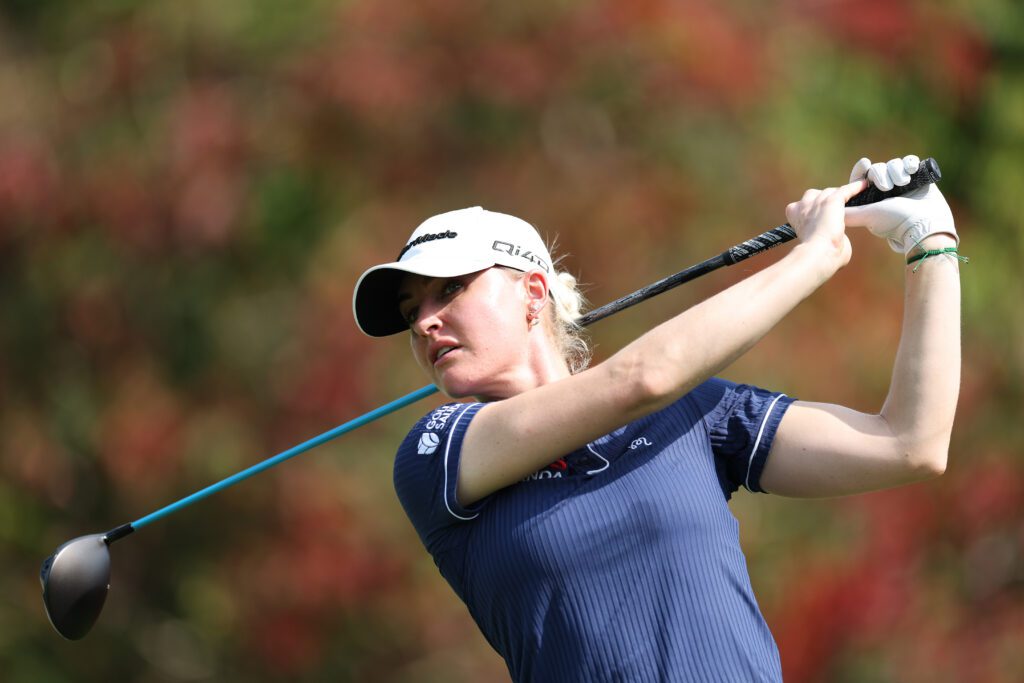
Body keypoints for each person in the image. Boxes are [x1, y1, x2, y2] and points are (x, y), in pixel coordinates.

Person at [351, 155, 961, 682]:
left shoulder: (692, 413)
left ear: (533, 294)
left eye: (450, 290)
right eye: (412, 313)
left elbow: (910, 443)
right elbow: (641, 378)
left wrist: (930, 240)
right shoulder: (438, 451)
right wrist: (817, 254)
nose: (425, 322)